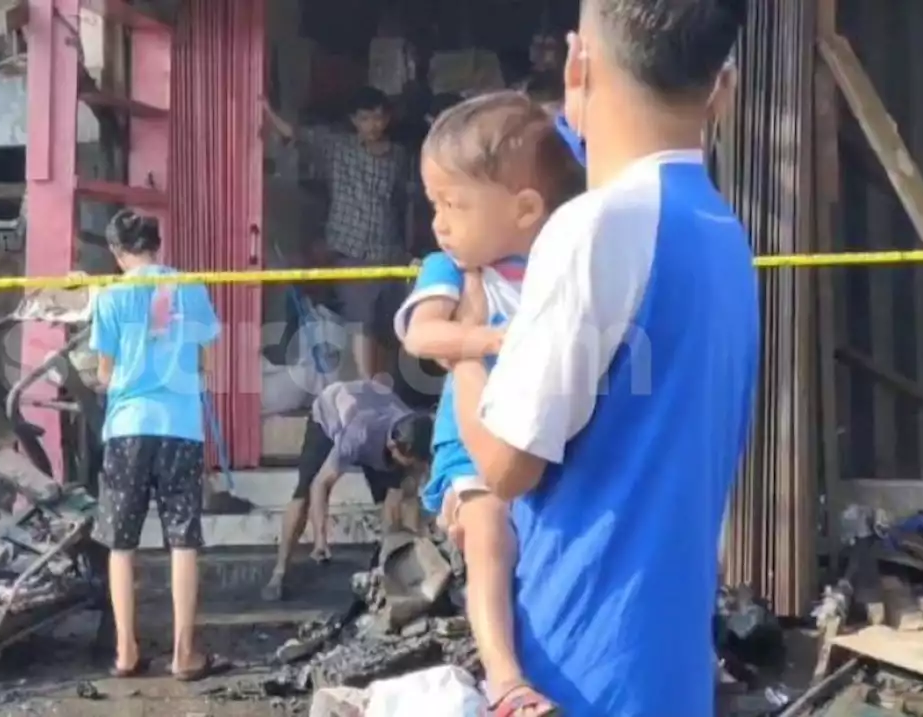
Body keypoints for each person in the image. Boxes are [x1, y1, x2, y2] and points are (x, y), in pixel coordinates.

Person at [444, 1, 753, 716]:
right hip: (670, 661)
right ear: (724, 90)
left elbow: (506, 465)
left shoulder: (596, 226)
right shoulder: (722, 229)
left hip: (582, 661)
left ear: (577, 63)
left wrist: (463, 349)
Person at [394, 94, 584, 717]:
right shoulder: (449, 267)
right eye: (435, 206)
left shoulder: (556, 265)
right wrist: (491, 339)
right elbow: (422, 336)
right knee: (488, 534)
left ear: (526, 210)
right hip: (469, 438)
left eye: (455, 205)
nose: (440, 223)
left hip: (539, 435)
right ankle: (505, 679)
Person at [89, 209, 226, 682]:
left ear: (116, 251)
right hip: (181, 424)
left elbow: (105, 375)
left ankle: (126, 652)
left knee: (120, 543)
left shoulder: (109, 297)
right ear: (158, 244)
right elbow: (207, 356)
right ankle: (183, 655)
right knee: (182, 538)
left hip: (127, 426)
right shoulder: (188, 286)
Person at [263, 87, 415, 380]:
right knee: (361, 323)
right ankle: (368, 387)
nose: (373, 125)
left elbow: (403, 205)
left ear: (387, 119)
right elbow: (296, 133)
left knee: (387, 327)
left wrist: (407, 248)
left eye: (378, 118)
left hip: (388, 254)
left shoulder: (399, 157)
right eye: (365, 118)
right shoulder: (338, 149)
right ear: (353, 120)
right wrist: (267, 110)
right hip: (350, 251)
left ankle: (382, 388)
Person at [262, 379, 433, 601]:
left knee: (397, 495)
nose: (411, 468)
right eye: (409, 461)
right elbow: (321, 485)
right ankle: (280, 571)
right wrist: (321, 539)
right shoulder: (358, 435)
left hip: (374, 405)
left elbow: (405, 498)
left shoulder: (415, 427)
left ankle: (389, 570)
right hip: (329, 412)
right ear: (393, 447)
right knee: (303, 494)